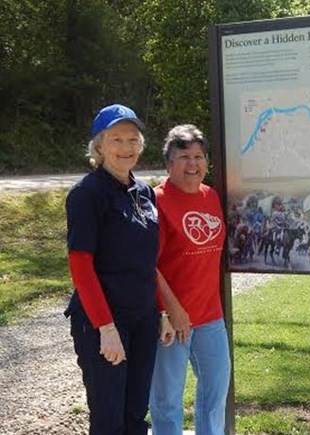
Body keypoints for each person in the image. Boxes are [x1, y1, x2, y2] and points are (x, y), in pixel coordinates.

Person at [64, 103, 173, 434]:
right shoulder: (87, 194)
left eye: (132, 140)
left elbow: (145, 261)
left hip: (143, 319)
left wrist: (161, 312)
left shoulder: (145, 194)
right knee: (109, 420)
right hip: (104, 322)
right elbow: (80, 265)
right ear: (99, 146)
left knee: (136, 416)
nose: (125, 148)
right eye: (116, 140)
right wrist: (106, 328)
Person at [149, 124, 231, 435]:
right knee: (167, 400)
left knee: (215, 394)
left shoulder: (211, 196)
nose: (193, 164)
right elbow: (148, 265)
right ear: (168, 163)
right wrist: (169, 312)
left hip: (211, 315)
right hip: (171, 320)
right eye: (184, 157)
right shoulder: (155, 201)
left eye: (198, 156)